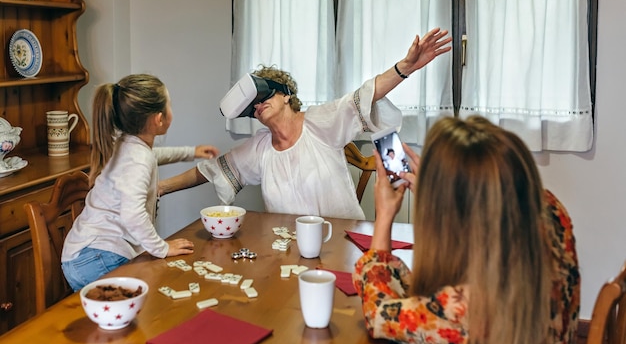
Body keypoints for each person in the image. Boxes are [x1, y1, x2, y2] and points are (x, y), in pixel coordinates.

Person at [353, 116, 580, 344]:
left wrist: (384, 216)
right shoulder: (554, 215)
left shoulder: (462, 307)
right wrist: (444, 197)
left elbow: (378, 313)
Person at [159, 28, 452, 220]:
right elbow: (209, 170)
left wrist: (405, 68)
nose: (257, 105)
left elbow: (364, 95)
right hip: (288, 250)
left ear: (286, 95)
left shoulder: (319, 122)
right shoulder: (260, 149)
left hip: (343, 241)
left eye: (264, 95)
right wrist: (158, 187)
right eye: (252, 106)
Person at [61, 74, 220, 291]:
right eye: (169, 104)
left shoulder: (127, 145)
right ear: (159, 118)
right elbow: (132, 214)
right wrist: (162, 248)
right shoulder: (138, 158)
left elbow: (154, 155)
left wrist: (191, 152)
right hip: (98, 257)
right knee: (149, 301)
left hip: (83, 254)